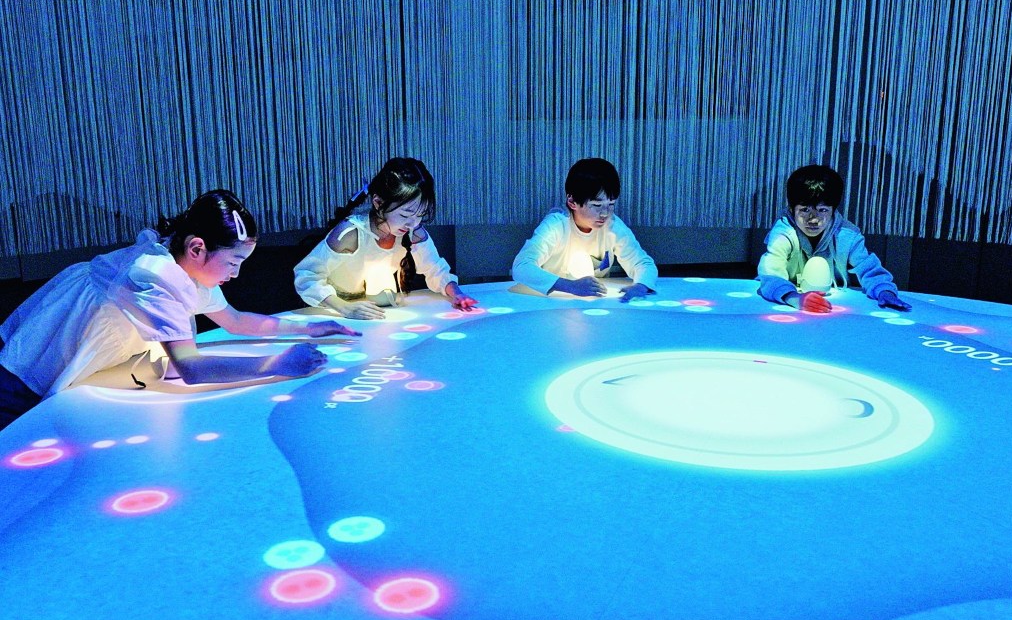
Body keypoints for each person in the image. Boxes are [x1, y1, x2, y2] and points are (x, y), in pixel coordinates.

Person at [0, 189, 358, 430]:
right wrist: (278, 364)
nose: (236, 274)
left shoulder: (186, 267)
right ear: (197, 248)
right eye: (233, 262)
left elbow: (235, 321)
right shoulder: (154, 275)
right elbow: (191, 368)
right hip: (34, 362)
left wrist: (309, 327)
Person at [294, 157, 476, 320]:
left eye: (420, 214)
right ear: (378, 202)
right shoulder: (351, 233)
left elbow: (435, 269)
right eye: (405, 215)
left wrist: (457, 294)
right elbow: (306, 275)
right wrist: (345, 308)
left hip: (378, 311)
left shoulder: (414, 232)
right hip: (335, 313)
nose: (413, 223)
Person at [757, 164, 912, 313]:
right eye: (805, 210)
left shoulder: (847, 235)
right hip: (791, 305)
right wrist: (793, 297)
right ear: (792, 209)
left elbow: (868, 269)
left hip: (833, 304)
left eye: (822, 210)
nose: (813, 219)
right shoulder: (783, 234)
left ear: (833, 210)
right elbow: (770, 272)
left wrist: (884, 291)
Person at [511, 157, 657, 302]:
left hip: (597, 304)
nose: (605, 213)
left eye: (611, 204)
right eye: (597, 205)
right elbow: (521, 266)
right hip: (553, 303)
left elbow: (643, 263)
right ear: (572, 202)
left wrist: (640, 286)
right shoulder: (556, 226)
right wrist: (570, 286)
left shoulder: (612, 226)